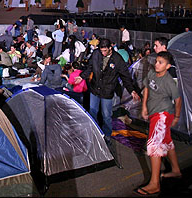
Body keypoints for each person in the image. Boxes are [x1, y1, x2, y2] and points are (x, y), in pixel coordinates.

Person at [136, 51, 182, 196]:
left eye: (161, 62)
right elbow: (147, 89)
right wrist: (144, 107)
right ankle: (175, 170)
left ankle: (155, 183)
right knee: (167, 141)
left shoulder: (169, 81)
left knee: (154, 145)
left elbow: (178, 100)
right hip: (153, 112)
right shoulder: (151, 73)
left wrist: (176, 116)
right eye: (157, 61)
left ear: (168, 66)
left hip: (163, 114)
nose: (157, 64)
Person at [76, 38, 141, 142]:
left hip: (107, 91)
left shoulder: (117, 59)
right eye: (101, 50)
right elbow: (90, 67)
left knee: (106, 115)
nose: (103, 53)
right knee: (93, 111)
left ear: (110, 48)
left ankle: (107, 136)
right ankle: (94, 132)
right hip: (95, 88)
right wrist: (82, 76)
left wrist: (131, 90)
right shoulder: (96, 54)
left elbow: (125, 76)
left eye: (105, 51)